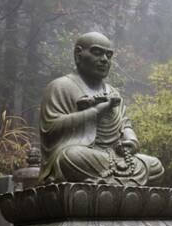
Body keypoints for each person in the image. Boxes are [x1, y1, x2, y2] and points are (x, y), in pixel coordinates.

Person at [38, 32, 164, 186]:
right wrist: (95, 112)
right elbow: (50, 128)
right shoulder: (61, 86)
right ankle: (121, 186)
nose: (104, 59)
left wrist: (131, 140)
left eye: (108, 55)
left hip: (115, 157)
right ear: (78, 54)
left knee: (155, 166)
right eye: (97, 53)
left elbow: (125, 125)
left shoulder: (113, 92)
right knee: (69, 157)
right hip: (83, 155)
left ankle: (110, 185)